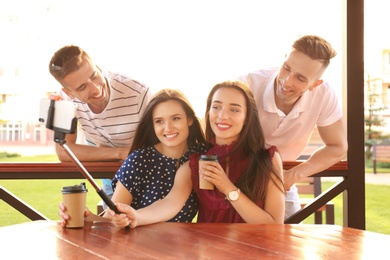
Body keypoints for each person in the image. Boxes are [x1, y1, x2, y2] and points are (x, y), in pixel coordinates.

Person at [109, 80, 285, 228]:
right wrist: (137, 217)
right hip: (209, 252)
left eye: (234, 109)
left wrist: (227, 188)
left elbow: (275, 226)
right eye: (216, 107)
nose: (222, 116)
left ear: (247, 116)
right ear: (208, 112)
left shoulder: (267, 158)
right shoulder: (198, 161)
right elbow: (171, 203)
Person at [58, 88, 207, 226]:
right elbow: (111, 219)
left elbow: (172, 201)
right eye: (159, 121)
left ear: (190, 119)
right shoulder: (139, 160)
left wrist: (135, 216)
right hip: (137, 247)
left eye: (176, 118)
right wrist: (86, 218)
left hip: (181, 248)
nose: (168, 128)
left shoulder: (199, 156)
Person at [238, 35, 348, 219]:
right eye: (286, 68)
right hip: (237, 177)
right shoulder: (247, 85)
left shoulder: (324, 95)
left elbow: (337, 148)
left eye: (300, 78)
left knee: (291, 240)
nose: (287, 81)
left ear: (315, 84)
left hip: (281, 180)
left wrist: (292, 176)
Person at [48, 45, 151, 203]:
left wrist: (125, 156)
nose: (96, 89)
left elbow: (159, 147)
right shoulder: (64, 99)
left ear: (99, 67)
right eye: (82, 87)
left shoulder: (139, 93)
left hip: (146, 172)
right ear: (69, 92)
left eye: (94, 76)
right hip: (108, 173)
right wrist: (120, 153)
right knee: (112, 223)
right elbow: (64, 152)